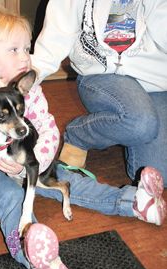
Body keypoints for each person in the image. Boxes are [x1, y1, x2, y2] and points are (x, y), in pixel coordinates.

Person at [0, 9, 166, 269]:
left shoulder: (28, 89)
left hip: (26, 162)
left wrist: (36, 164)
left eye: (27, 48)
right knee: (10, 197)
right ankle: (33, 254)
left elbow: (49, 130)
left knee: (68, 178)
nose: (25, 56)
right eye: (14, 50)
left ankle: (132, 201)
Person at [31, 0, 167, 187]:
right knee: (141, 123)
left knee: (161, 174)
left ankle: (125, 124)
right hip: (102, 75)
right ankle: (80, 135)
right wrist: (19, 80)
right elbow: (50, 47)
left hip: (154, 82)